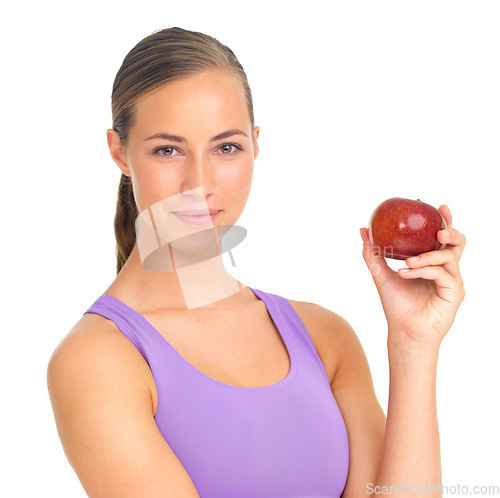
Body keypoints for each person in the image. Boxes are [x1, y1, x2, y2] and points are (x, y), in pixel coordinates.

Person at [47, 27, 466, 498]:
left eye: (226, 147)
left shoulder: (324, 337)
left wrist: (414, 343)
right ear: (120, 152)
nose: (199, 182)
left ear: (255, 144)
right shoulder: (97, 360)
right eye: (168, 150)